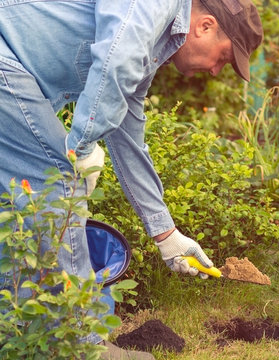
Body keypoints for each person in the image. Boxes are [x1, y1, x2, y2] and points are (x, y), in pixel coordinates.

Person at [0, 0, 262, 358]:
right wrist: (81, 146)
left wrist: (167, 235)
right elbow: (116, 62)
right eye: (224, 58)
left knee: (17, 204)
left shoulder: (151, 47)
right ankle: (76, 345)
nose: (217, 71)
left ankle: (15, 331)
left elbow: (127, 137)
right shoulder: (153, 6)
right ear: (205, 26)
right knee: (57, 178)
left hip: (12, 67)